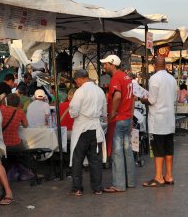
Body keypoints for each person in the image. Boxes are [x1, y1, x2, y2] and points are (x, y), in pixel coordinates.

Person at [100, 54, 135, 193]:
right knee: (127, 150)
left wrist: (113, 112)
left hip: (119, 119)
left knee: (117, 152)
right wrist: (131, 116)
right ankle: (130, 181)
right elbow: (132, 99)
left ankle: (119, 184)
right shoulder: (127, 78)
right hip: (127, 118)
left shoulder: (116, 78)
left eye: (106, 64)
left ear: (113, 64)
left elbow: (118, 96)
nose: (104, 66)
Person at [140, 56, 177, 187]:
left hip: (158, 120)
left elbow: (152, 100)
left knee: (158, 149)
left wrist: (142, 99)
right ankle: (169, 175)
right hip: (169, 120)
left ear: (154, 66)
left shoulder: (154, 78)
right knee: (168, 149)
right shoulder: (172, 79)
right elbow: (174, 97)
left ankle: (158, 177)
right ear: (165, 65)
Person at [69, 70, 107, 196]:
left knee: (78, 158)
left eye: (76, 81)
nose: (76, 83)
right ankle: (97, 188)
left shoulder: (80, 91)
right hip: (96, 128)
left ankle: (77, 187)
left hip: (82, 129)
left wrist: (77, 114)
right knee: (95, 160)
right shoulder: (100, 91)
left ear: (79, 79)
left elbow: (73, 111)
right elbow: (104, 112)